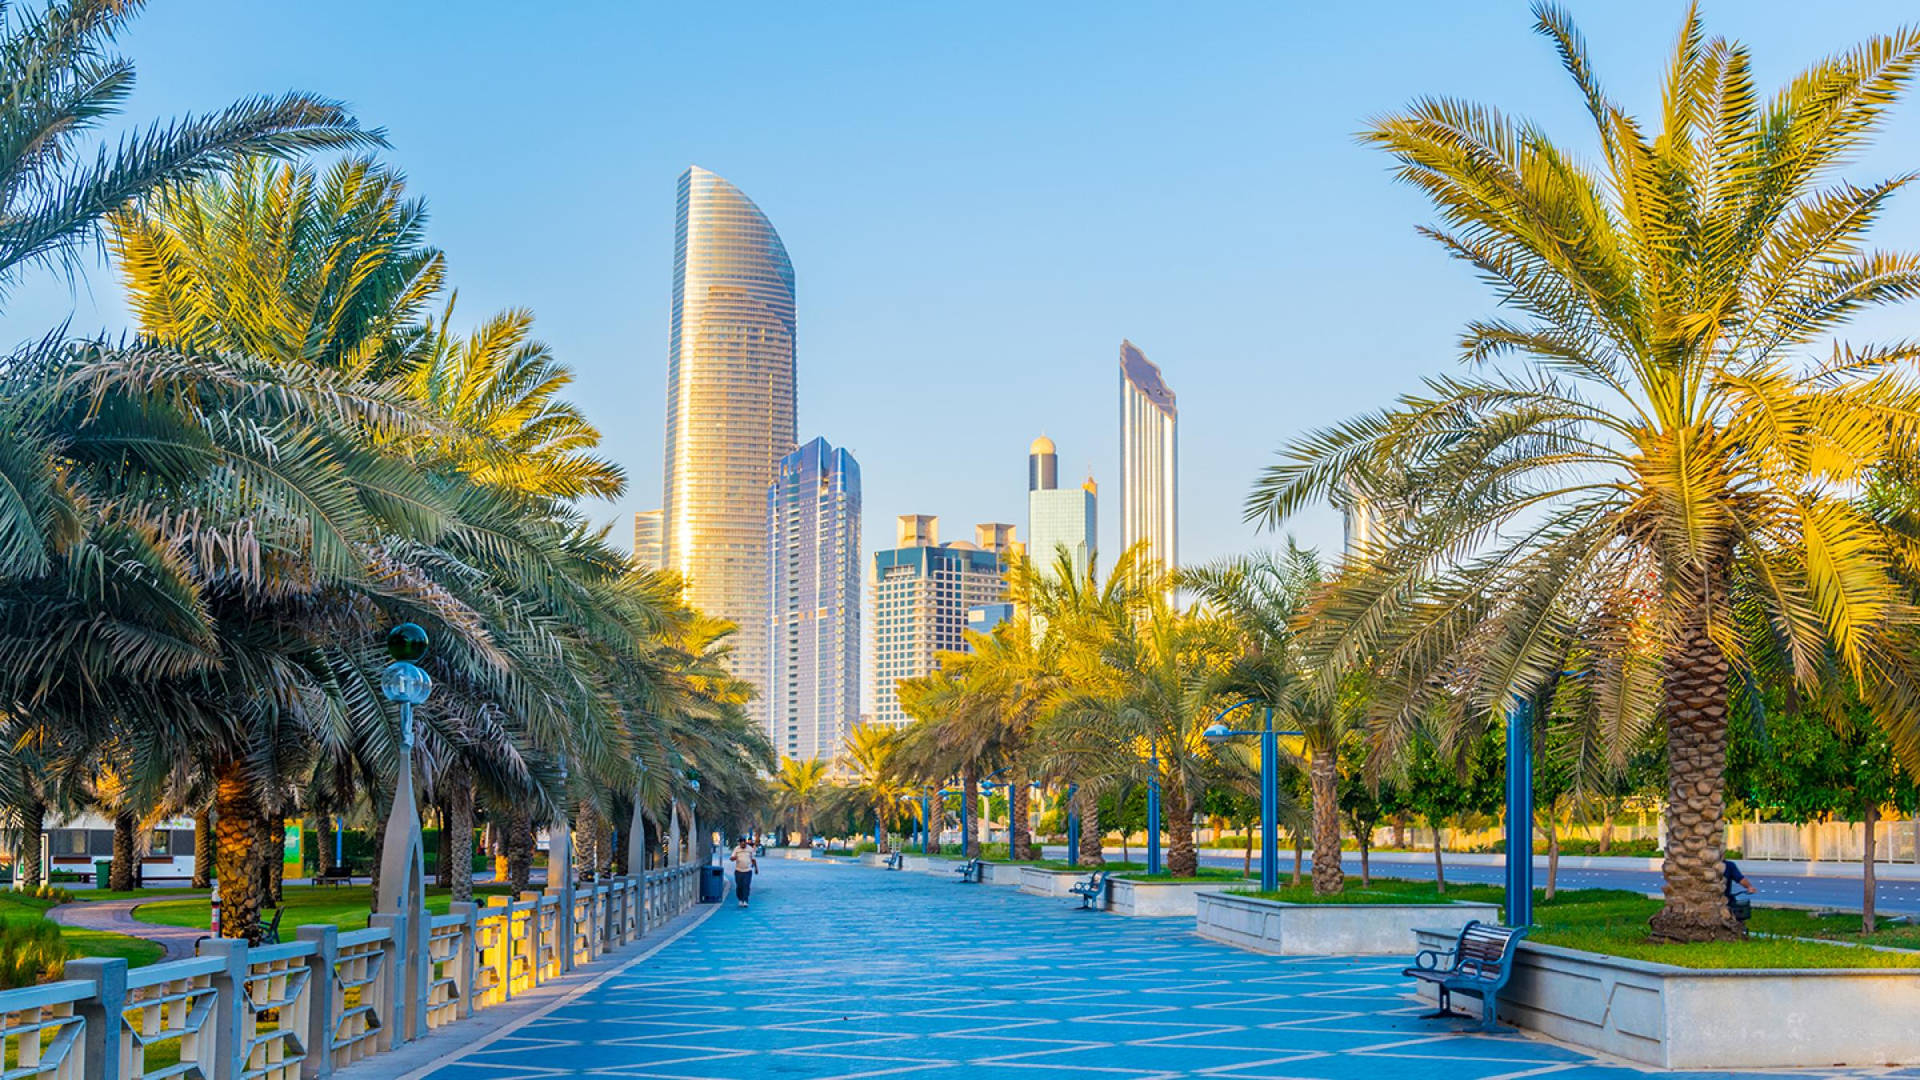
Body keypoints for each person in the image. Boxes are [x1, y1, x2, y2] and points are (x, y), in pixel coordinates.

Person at [731, 837, 758, 908]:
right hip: (738, 870)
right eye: (741, 842)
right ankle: (740, 899)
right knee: (739, 886)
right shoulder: (736, 849)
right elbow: (732, 858)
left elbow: (753, 859)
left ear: (746, 842)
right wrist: (733, 858)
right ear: (739, 843)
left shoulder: (750, 849)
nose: (743, 844)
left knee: (746, 885)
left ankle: (745, 900)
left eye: (744, 842)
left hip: (747, 871)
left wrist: (756, 868)